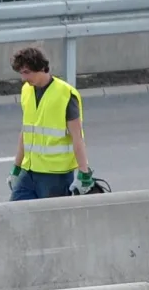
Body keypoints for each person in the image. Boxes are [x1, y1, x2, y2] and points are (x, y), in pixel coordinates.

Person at [7, 46, 98, 200]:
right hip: (29, 172)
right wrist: (16, 167)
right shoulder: (27, 91)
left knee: (52, 222)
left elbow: (77, 137)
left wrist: (84, 173)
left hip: (55, 177)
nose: (23, 78)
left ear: (42, 68)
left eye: (27, 72)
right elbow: (26, 131)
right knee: (16, 218)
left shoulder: (65, 94)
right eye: (21, 73)